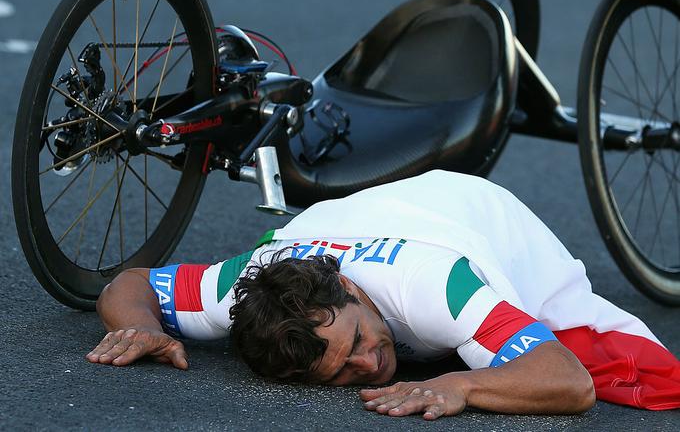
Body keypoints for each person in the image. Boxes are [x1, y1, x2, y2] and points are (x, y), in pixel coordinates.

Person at [86, 170, 680, 419]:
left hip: (482, 220)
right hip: (358, 215)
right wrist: (142, 328)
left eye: (359, 341)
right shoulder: (243, 284)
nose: (370, 364)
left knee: (647, 378)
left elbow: (569, 382)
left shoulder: (436, 288)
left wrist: (460, 385)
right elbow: (129, 285)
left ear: (349, 289)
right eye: (342, 373)